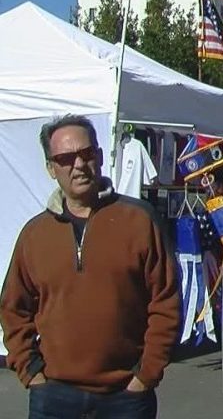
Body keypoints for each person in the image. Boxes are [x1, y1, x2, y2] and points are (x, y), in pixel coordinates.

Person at [0, 115, 180, 419]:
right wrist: (32, 373)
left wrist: (145, 375)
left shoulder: (138, 221)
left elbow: (166, 302)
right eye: (66, 158)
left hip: (126, 396)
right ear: (51, 168)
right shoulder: (36, 234)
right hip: (54, 397)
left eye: (86, 154)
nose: (79, 164)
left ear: (98, 156)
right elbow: (13, 308)